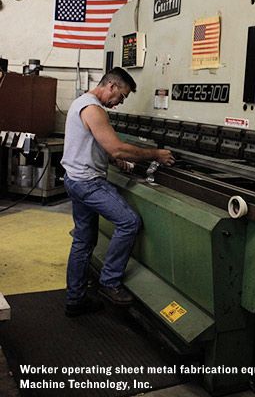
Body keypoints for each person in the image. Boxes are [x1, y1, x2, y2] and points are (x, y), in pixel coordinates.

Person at [61, 67, 175, 317]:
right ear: (111, 86)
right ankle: (109, 282)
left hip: (74, 179)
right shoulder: (93, 109)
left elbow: (91, 144)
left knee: (83, 241)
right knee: (129, 222)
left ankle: (75, 300)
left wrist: (111, 159)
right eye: (121, 96)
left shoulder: (81, 102)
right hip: (88, 184)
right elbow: (118, 148)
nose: (120, 102)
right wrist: (155, 154)